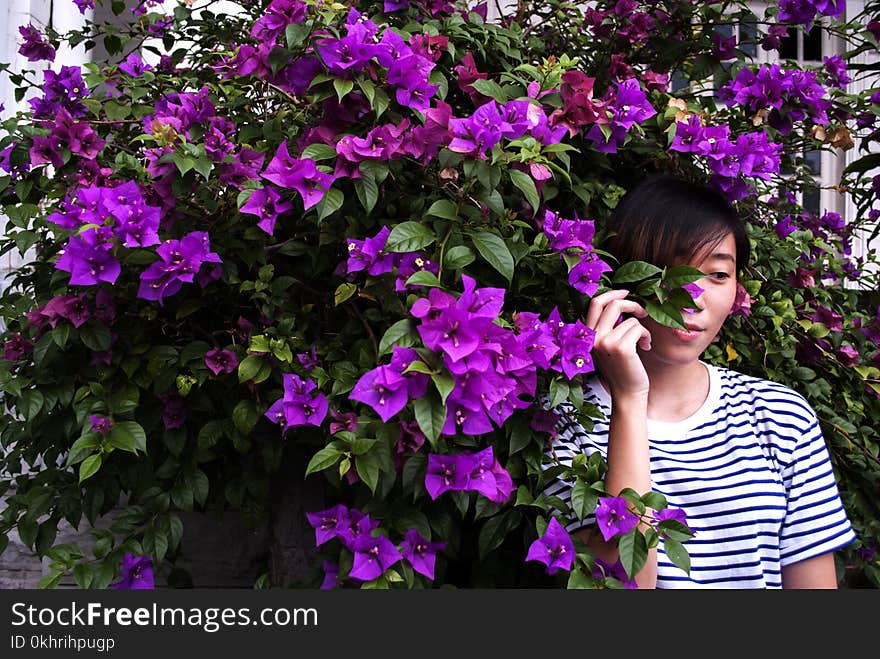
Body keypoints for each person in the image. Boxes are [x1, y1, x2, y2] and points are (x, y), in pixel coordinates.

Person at [542, 175, 856, 588]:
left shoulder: (780, 417)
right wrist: (630, 402)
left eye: (719, 275)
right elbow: (621, 586)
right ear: (623, 281)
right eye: (672, 273)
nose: (692, 296)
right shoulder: (564, 421)